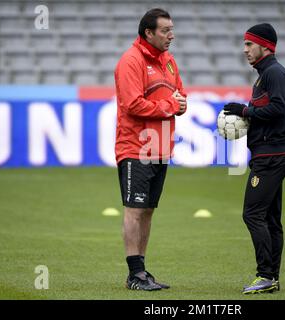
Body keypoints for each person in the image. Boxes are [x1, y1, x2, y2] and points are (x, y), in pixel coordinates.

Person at [114, 8, 187, 291]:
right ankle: (134, 274)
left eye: (171, 29)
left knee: (148, 211)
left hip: (161, 147)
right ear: (148, 33)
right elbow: (132, 104)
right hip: (135, 147)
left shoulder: (169, 62)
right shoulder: (130, 61)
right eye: (165, 30)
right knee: (134, 209)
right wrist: (171, 106)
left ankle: (142, 271)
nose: (171, 35)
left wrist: (181, 104)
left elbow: (179, 94)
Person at [223, 23, 285, 294]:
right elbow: (270, 109)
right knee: (271, 219)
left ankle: (265, 274)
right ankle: (271, 278)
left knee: (252, 214)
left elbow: (278, 108)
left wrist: (245, 111)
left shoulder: (274, 73)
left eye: (249, 44)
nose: (245, 49)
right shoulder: (265, 75)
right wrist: (246, 115)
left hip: (271, 157)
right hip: (272, 154)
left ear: (266, 46)